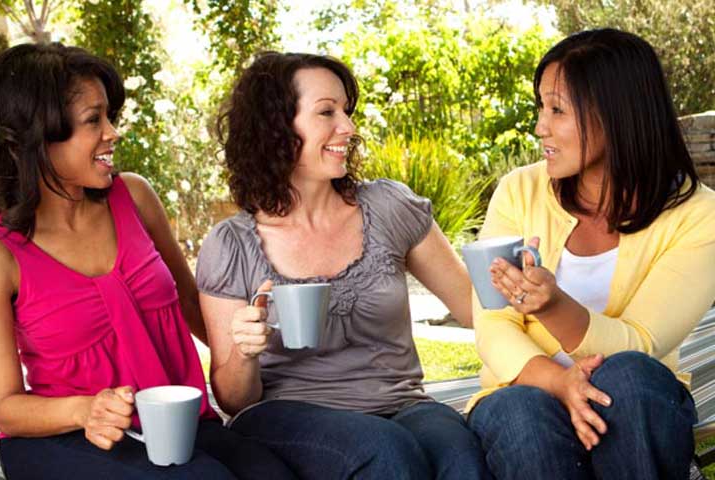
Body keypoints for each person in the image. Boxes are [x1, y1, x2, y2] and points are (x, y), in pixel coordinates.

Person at [0, 43, 296, 479]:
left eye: (110, 116)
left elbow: (194, 308)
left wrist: (251, 349)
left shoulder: (133, 196)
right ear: (36, 137)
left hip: (175, 421)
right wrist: (86, 410)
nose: (113, 132)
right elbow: (5, 409)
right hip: (68, 436)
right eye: (93, 120)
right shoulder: (3, 252)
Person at [196, 51, 488, 479]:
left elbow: (476, 310)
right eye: (326, 112)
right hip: (286, 417)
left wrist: (520, 290)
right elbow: (235, 401)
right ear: (276, 128)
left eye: (347, 111)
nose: (348, 128)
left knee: (457, 454)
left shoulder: (389, 208)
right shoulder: (232, 245)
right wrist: (245, 349)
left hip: (402, 403)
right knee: (382, 449)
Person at [465, 28, 715, 480]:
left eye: (557, 109)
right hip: (523, 390)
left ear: (618, 115)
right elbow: (492, 321)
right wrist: (560, 383)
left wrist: (554, 306)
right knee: (522, 413)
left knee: (630, 378)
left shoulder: (700, 216)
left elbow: (642, 342)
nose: (541, 125)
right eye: (541, 106)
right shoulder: (519, 191)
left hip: (636, 402)